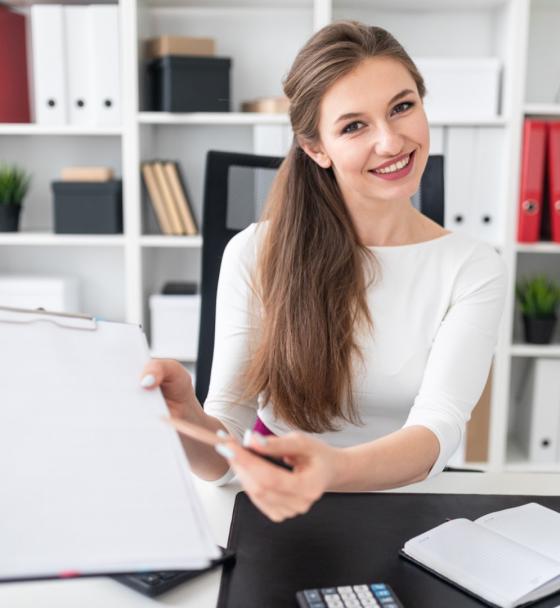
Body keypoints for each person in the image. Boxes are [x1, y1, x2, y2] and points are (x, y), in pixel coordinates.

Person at [141, 21, 507, 522]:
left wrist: (331, 470)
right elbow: (225, 453)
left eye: (403, 107)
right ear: (316, 149)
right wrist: (187, 418)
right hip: (281, 507)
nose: (391, 141)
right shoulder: (256, 251)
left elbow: (437, 430)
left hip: (408, 511)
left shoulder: (472, 266)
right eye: (354, 126)